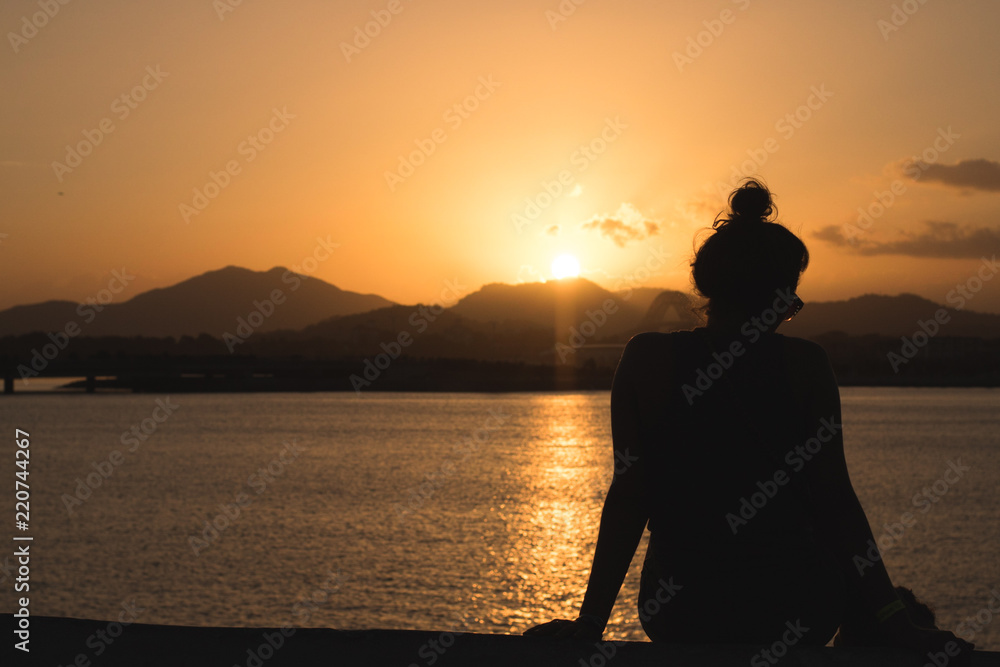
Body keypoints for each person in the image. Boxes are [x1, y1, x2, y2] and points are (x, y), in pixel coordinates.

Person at [524, 180, 975, 662]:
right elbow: (836, 500)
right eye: (791, 304)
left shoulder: (645, 360)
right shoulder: (805, 365)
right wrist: (896, 621)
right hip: (797, 609)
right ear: (780, 298)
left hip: (678, 611)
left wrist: (591, 620)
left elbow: (629, 496)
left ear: (705, 287)